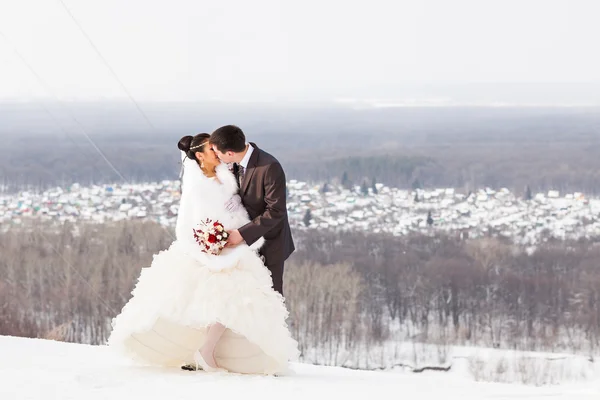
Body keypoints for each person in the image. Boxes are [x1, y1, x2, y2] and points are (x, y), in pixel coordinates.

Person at [107, 133, 299, 375]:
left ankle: (262, 357)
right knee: (216, 298)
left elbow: (271, 210)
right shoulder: (200, 184)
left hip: (252, 243)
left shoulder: (233, 171)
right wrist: (212, 241)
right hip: (219, 249)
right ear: (200, 155)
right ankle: (207, 351)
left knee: (262, 298)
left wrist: (237, 225)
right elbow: (189, 223)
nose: (217, 155)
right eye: (212, 151)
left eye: (218, 150)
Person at [210, 125, 294, 297]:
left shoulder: (269, 167)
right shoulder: (234, 163)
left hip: (270, 244)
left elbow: (276, 211)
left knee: (270, 296)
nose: (216, 156)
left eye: (218, 152)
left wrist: (241, 234)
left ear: (230, 153)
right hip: (245, 246)